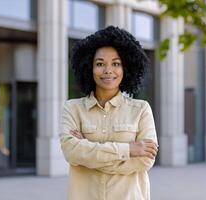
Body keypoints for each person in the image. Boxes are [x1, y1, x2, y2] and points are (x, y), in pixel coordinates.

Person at [60, 26, 158, 200]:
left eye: (116, 63)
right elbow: (71, 152)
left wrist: (88, 151)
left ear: (126, 68)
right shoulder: (72, 109)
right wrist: (129, 149)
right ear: (88, 67)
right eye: (99, 64)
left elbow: (144, 161)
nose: (108, 70)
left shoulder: (141, 109)